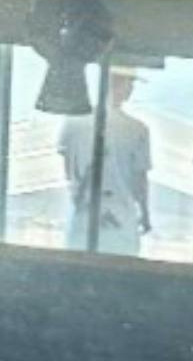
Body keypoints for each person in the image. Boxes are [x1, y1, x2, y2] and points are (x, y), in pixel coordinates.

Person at [59, 67, 151, 257]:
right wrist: (144, 213)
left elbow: (67, 169)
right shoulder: (137, 129)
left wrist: (77, 191)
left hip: (82, 213)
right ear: (118, 84)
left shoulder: (73, 121)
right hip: (120, 214)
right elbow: (139, 179)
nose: (131, 89)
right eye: (130, 83)